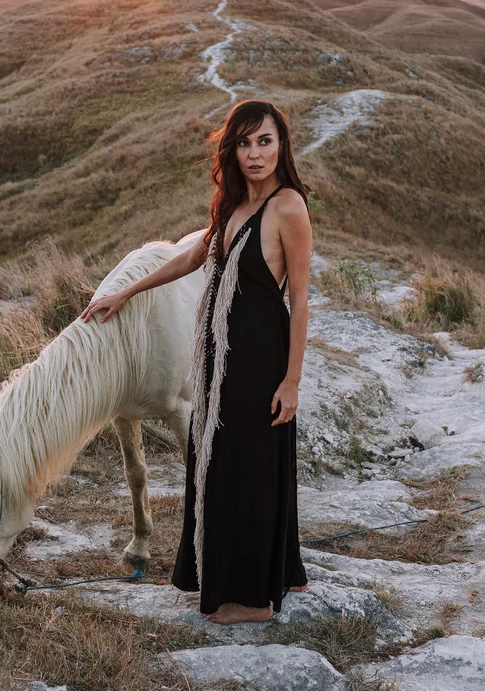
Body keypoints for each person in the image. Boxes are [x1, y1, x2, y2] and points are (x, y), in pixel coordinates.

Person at [79, 99, 312, 625]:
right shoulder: (232, 203)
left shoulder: (288, 208)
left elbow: (299, 300)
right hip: (216, 355)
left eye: (266, 142)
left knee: (246, 467)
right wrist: (129, 292)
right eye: (245, 143)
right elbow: (194, 256)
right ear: (232, 149)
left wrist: (292, 379)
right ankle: (273, 570)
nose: (255, 154)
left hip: (259, 356)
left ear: (282, 146)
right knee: (216, 459)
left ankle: (252, 599)